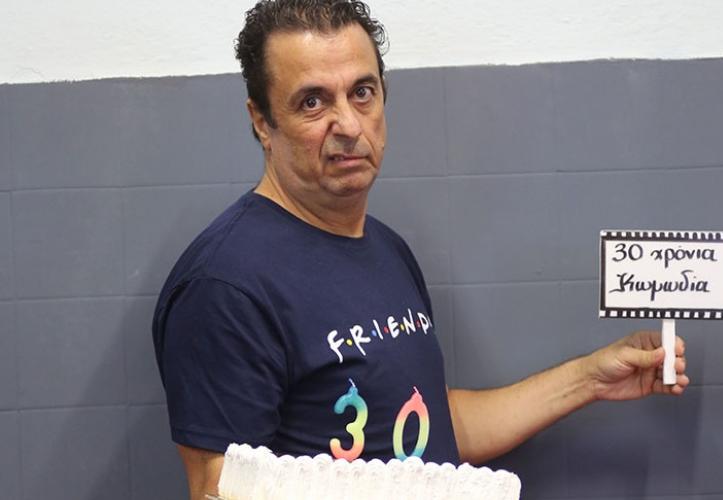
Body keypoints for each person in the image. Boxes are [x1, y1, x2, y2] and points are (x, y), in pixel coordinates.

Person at [152, 1, 690, 499]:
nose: (349, 125)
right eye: (312, 102)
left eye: (362, 92)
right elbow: (219, 490)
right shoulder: (225, 286)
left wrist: (591, 377)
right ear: (262, 121)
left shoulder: (386, 248)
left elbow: (430, 431)